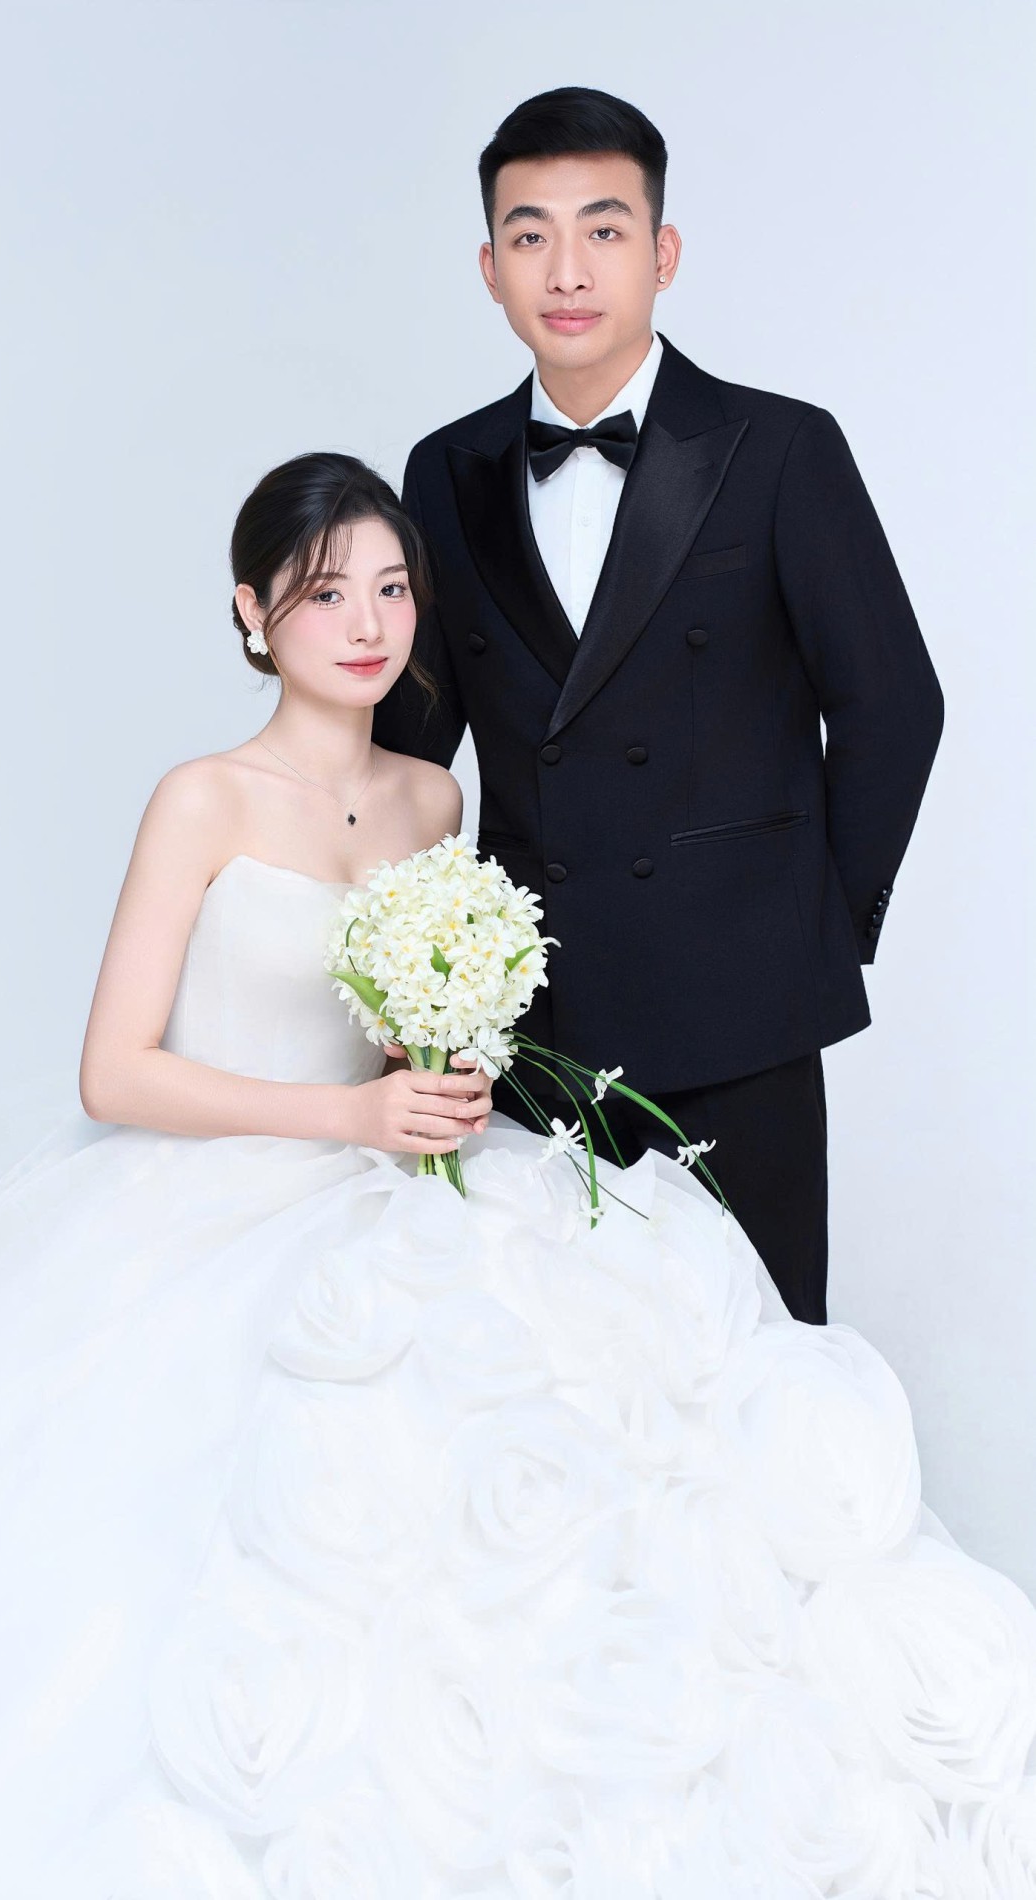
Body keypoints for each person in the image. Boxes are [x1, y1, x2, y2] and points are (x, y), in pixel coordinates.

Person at [0, 453, 1030, 1900]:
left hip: (398, 1187)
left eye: (390, 588)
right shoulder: (201, 800)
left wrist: (442, 1073)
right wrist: (348, 1118)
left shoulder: (435, 798)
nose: (366, 624)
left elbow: (409, 1018)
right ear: (251, 613)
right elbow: (113, 1073)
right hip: (213, 1193)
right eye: (324, 595)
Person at [372, 87, 946, 1326]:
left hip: (741, 1010)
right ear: (488, 266)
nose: (567, 270)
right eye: (529, 235)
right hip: (527, 1023)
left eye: (604, 229)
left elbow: (893, 706)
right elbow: (408, 754)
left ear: (662, 252)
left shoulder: (779, 447)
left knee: (755, 1364)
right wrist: (413, 990)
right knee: (538, 1371)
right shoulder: (444, 469)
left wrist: (810, 929)